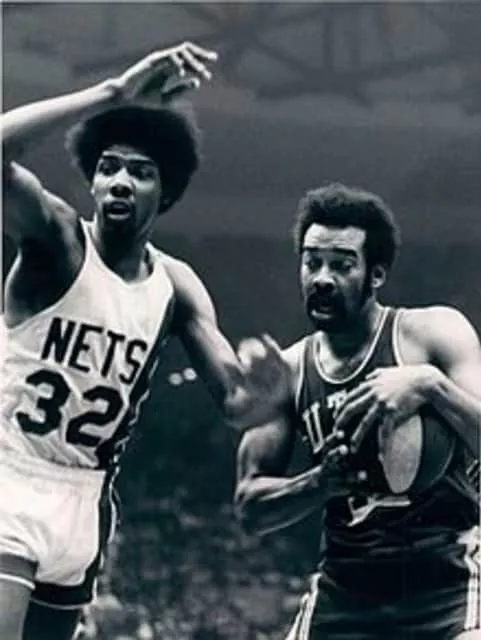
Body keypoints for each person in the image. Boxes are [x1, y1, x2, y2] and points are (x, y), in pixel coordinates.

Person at [1, 41, 289, 640]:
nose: (121, 182)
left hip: (86, 498)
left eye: (141, 171)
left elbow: (235, 404)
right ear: (91, 179)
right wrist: (111, 94)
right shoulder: (57, 240)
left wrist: (267, 392)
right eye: (109, 166)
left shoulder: (177, 286)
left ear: (167, 192)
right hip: (11, 472)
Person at [235, 183, 480, 640]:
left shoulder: (434, 333)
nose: (322, 278)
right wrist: (320, 481)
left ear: (376, 274)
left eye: (342, 265)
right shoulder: (289, 370)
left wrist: (429, 385)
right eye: (312, 262)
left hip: (445, 581)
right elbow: (250, 508)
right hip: (345, 591)